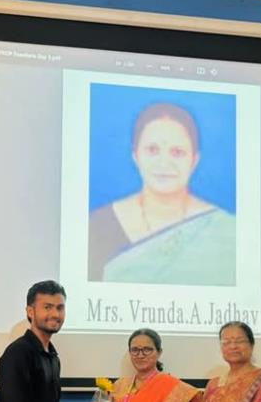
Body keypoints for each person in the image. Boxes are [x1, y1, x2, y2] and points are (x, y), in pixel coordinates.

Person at [88, 102, 235, 285]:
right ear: (136, 156)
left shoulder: (227, 231)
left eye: (177, 152)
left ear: (194, 160)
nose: (164, 163)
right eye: (153, 150)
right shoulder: (96, 228)